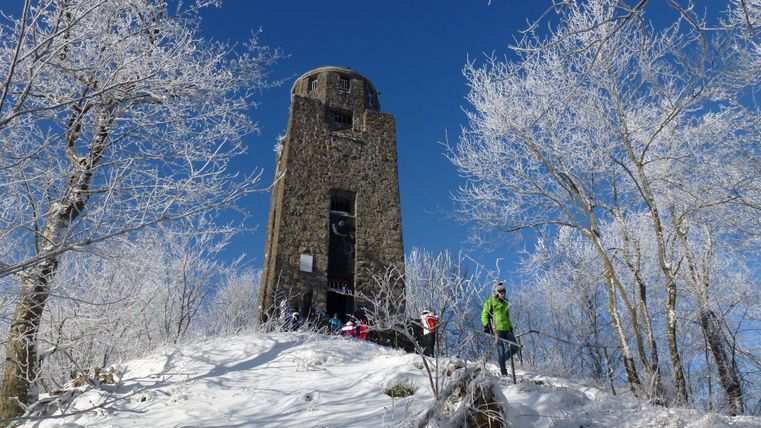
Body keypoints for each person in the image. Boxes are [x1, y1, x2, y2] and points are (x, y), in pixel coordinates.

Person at [481, 282, 517, 376]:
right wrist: (485, 325)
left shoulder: (506, 303)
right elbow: (484, 313)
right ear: (497, 292)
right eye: (500, 292)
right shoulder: (491, 301)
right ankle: (503, 372)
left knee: (515, 347)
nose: (502, 293)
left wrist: (511, 328)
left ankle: (502, 359)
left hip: (507, 329)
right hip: (496, 329)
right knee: (500, 349)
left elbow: (507, 317)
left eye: (504, 292)